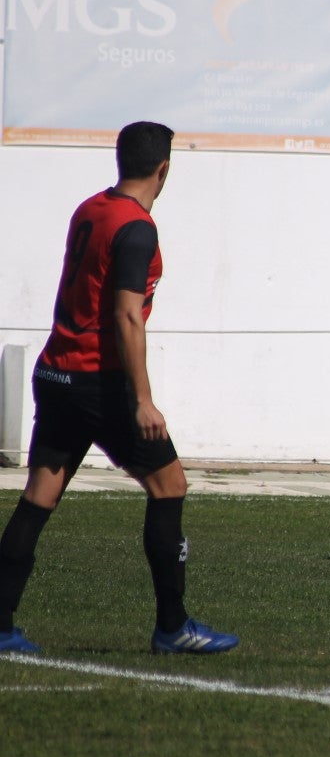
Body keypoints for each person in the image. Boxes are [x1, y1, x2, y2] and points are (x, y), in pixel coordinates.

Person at [0, 121, 238, 655]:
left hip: (56, 372)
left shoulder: (91, 208)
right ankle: (173, 627)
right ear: (164, 168)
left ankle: (0, 625)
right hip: (97, 383)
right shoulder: (137, 228)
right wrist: (143, 401)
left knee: (38, 498)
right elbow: (127, 316)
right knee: (169, 486)